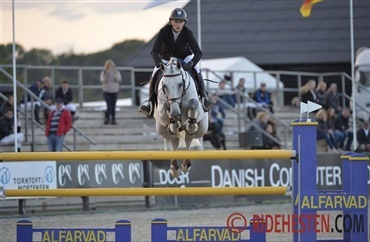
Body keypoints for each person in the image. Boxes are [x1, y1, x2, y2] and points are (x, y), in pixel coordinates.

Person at [139, 8, 214, 117]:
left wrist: (191, 64)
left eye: (181, 22)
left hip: (184, 57)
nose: (178, 24)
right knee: (155, 72)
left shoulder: (188, 33)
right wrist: (159, 62)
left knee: (197, 70)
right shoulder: (164, 31)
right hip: (166, 57)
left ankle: (204, 98)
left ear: (184, 22)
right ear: (171, 21)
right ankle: (150, 103)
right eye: (176, 21)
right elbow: (154, 51)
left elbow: (198, 53)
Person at [100, 60, 121, 124]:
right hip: (106, 90)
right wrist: (106, 75)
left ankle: (113, 119)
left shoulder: (116, 72)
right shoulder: (103, 72)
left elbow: (119, 79)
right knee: (108, 105)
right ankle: (107, 118)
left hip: (114, 90)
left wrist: (115, 77)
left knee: (113, 105)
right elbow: (102, 80)